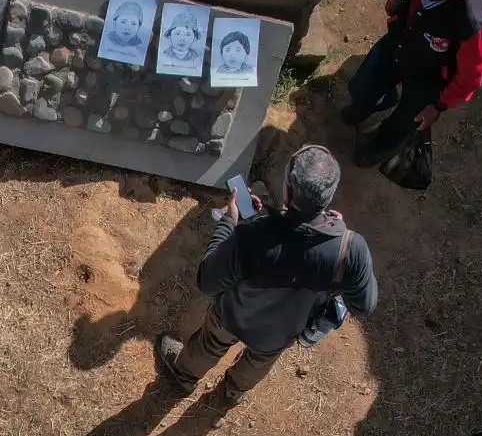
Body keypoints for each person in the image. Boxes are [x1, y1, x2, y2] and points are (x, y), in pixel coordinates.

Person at [156, 145, 378, 406]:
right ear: (327, 197)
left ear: (287, 190)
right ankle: (233, 392)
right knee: (258, 362)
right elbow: (364, 305)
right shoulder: (351, 249)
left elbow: (207, 282)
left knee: (211, 343)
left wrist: (229, 222)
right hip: (280, 333)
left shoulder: (254, 235)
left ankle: (183, 375)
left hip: (232, 316)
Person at [341, 0, 482, 168]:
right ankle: (370, 103)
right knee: (365, 84)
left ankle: (381, 145)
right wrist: (396, 0)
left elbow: (470, 77)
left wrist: (439, 105)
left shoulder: (473, 21)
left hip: (430, 74)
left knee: (406, 121)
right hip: (399, 43)